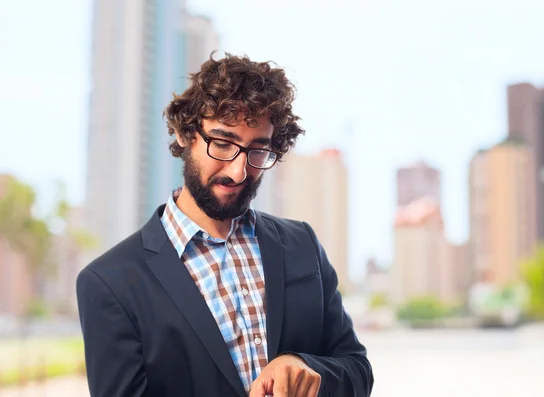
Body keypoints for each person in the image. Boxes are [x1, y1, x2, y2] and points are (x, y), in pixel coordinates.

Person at [76, 53, 374, 397]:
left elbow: (357, 370)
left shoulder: (302, 244)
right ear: (185, 133)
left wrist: (308, 370)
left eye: (258, 151)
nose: (238, 171)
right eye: (222, 144)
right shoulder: (110, 283)